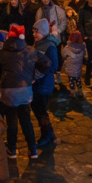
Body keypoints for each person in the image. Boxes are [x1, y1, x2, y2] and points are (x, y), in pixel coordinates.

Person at [0, 25, 51, 160]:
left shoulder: (2, 52)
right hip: (24, 90)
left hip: (7, 91)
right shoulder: (30, 51)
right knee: (26, 120)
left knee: (11, 121)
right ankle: (33, 150)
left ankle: (12, 149)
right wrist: (34, 76)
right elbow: (47, 63)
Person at [32, 19, 58, 148]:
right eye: (33, 31)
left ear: (43, 32)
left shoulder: (49, 46)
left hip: (44, 83)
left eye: (36, 32)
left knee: (41, 110)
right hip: (38, 83)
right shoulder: (38, 44)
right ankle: (50, 133)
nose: (34, 34)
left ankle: (46, 135)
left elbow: (54, 65)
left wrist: (40, 71)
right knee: (38, 109)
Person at [62, 31, 86, 98]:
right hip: (78, 68)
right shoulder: (82, 48)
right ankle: (80, 92)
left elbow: (64, 56)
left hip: (70, 67)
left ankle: (73, 93)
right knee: (78, 79)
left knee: (71, 80)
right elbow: (84, 54)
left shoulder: (67, 48)